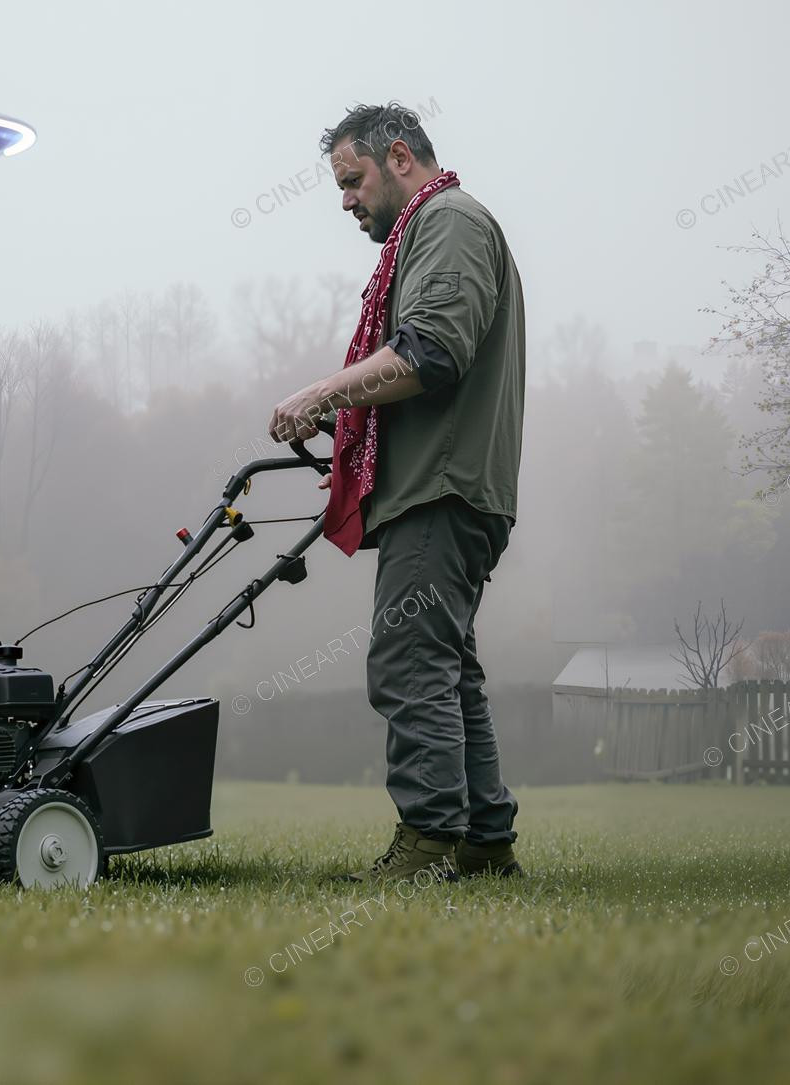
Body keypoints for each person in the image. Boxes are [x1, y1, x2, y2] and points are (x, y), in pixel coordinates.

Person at [267, 101, 526, 882]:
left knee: (410, 661)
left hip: (442, 489)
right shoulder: (427, 229)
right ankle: (482, 843)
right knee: (449, 670)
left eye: (352, 181)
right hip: (444, 483)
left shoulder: (447, 221)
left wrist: (324, 393)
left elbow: (432, 351)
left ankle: (425, 847)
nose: (346, 201)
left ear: (400, 157)